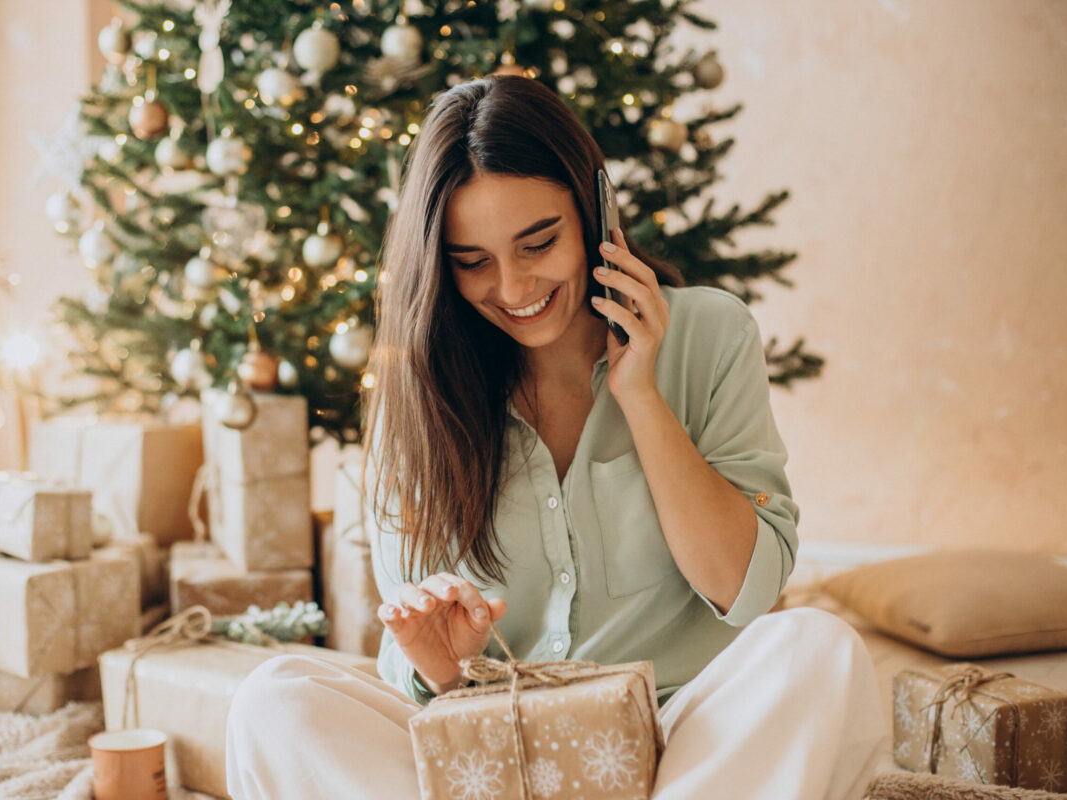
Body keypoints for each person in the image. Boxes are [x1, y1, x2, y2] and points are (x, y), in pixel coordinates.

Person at [227, 75, 887, 800]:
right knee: (275, 697)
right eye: (472, 261)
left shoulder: (710, 333)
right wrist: (447, 667)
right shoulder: (413, 394)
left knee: (816, 650)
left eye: (538, 242)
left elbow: (745, 589)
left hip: (682, 748)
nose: (512, 288)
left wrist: (641, 394)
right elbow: (421, 668)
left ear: (595, 210)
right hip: (488, 747)